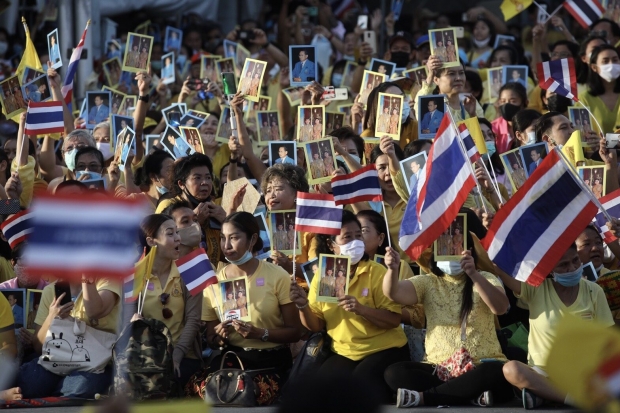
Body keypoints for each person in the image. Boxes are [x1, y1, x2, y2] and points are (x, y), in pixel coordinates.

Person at [382, 215, 513, 407]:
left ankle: (424, 398)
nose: (452, 249)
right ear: (435, 250)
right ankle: (469, 395)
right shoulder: (428, 281)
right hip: (439, 368)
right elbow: (393, 293)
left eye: (457, 245)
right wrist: (392, 269)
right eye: (445, 244)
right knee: (393, 374)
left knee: (495, 371)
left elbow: (501, 308)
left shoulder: (485, 277)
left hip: (480, 364)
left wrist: (473, 274)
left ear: (469, 250)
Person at [289, 210, 409, 403]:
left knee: (359, 387)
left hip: (384, 348)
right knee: (324, 391)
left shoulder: (377, 272)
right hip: (344, 351)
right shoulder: (325, 275)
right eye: (347, 237)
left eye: (358, 235)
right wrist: (302, 305)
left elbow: (394, 320)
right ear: (332, 245)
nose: (355, 242)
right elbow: (316, 325)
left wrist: (362, 309)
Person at [497, 243, 613, 409]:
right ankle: (571, 398)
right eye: (563, 265)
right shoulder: (536, 290)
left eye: (575, 261)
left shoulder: (594, 291)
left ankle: (545, 395)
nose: (572, 268)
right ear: (550, 270)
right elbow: (499, 268)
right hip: (542, 373)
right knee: (511, 369)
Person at [202, 212, 301, 398]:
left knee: (254, 395)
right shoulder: (214, 282)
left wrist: (261, 333)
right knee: (210, 393)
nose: (227, 245)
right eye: (223, 238)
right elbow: (211, 338)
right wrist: (220, 337)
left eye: (234, 237)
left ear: (253, 238)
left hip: (271, 361)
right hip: (232, 361)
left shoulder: (277, 275)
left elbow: (295, 332)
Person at [16, 273, 121, 398]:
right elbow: (38, 346)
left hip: (95, 364)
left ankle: (56, 392)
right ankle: (58, 391)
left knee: (82, 387)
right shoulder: (51, 290)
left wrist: (86, 276)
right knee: (29, 384)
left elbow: (94, 311)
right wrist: (52, 316)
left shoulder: (109, 281)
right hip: (57, 360)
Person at [155, 153, 227, 265]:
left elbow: (226, 255)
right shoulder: (168, 205)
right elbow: (161, 246)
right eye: (197, 178)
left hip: (211, 276)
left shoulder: (213, 208)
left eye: (208, 177)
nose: (205, 183)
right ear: (181, 184)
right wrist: (195, 222)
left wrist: (226, 222)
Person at [580, 44, 620, 135]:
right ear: (594, 67)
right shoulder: (584, 99)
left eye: (615, 60)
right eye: (605, 61)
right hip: (598, 149)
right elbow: (584, 137)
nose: (611, 64)